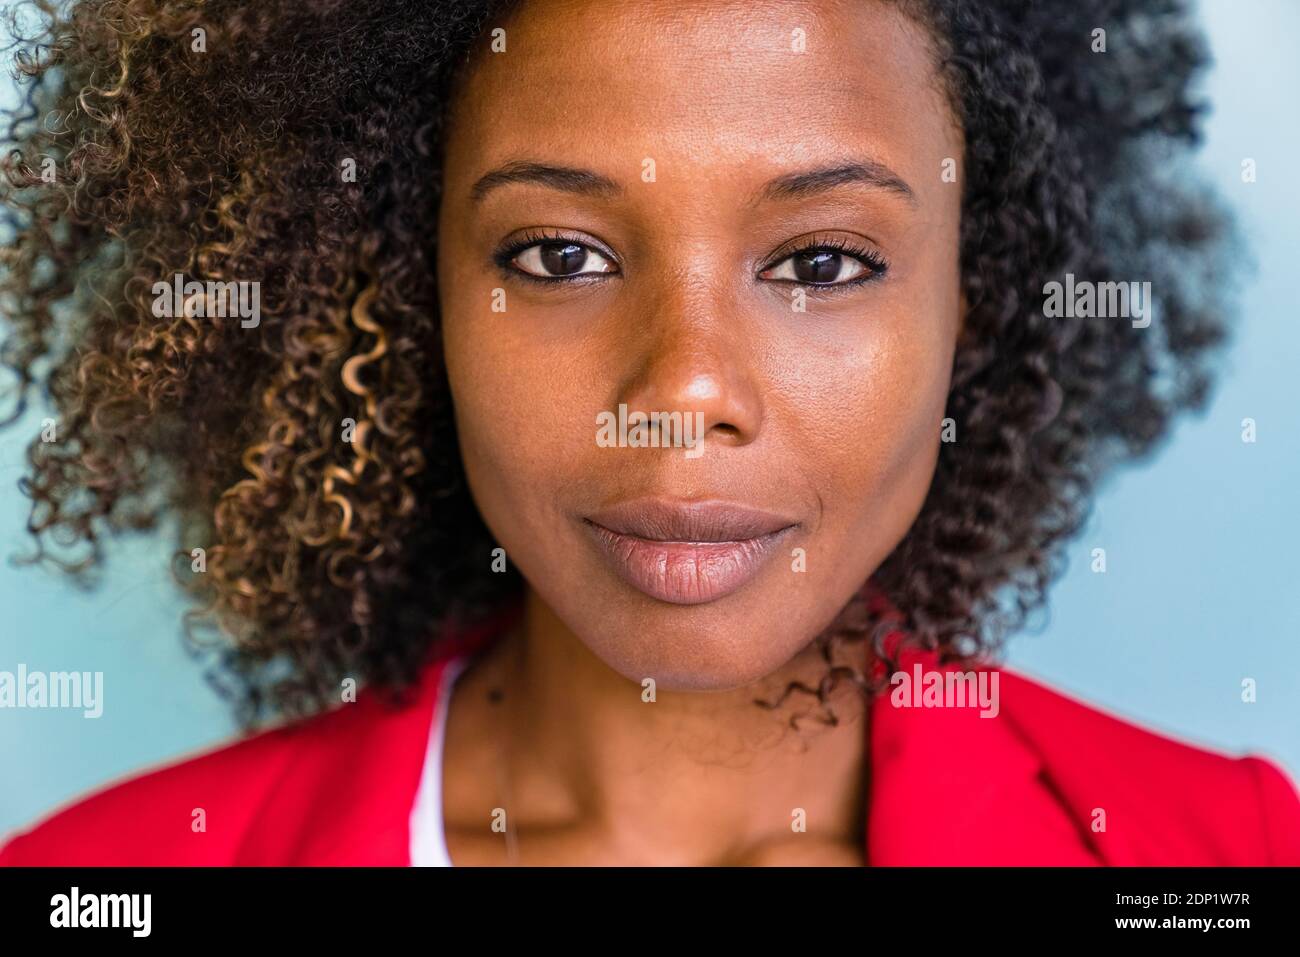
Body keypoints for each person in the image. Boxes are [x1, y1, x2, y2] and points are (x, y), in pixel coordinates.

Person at [1, 0, 1296, 866]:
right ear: (409, 290)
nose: (682, 391)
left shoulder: (1216, 851)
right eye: (558, 253)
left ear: (980, 293)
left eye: (826, 261)